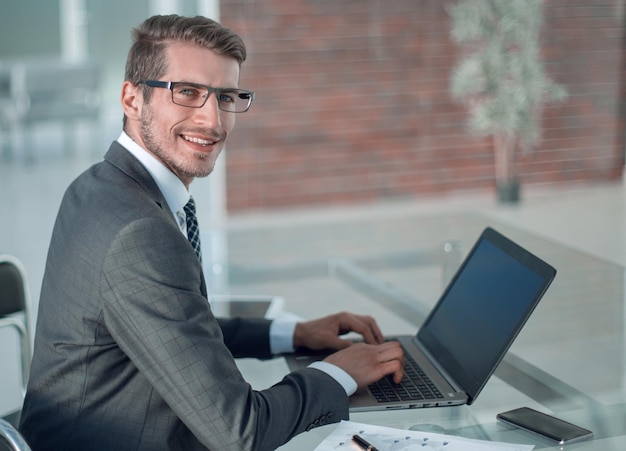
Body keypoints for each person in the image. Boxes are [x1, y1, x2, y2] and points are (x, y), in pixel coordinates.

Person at [19, 14, 404, 451]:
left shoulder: (98, 185)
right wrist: (340, 373)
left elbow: (175, 321)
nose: (213, 120)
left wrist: (291, 334)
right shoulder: (141, 231)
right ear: (132, 98)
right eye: (187, 93)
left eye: (226, 97)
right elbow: (240, 431)